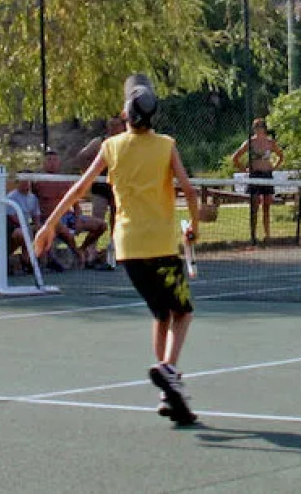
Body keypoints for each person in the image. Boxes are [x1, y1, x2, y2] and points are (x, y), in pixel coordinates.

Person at [35, 74, 201, 426]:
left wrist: (49, 224)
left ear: (126, 113)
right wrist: (195, 227)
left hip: (127, 248)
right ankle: (169, 370)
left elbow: (80, 188)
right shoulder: (166, 145)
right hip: (160, 245)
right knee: (183, 313)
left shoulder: (111, 147)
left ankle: (167, 392)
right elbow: (188, 190)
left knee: (161, 315)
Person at [33, 149, 106, 269]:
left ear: (59, 163)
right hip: (49, 220)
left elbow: (76, 203)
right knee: (60, 227)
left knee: (101, 225)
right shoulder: (37, 182)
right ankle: (78, 255)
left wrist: (77, 219)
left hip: (68, 216)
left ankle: (82, 249)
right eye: (49, 160)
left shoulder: (65, 181)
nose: (52, 163)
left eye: (54, 160)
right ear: (44, 163)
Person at [75, 117, 123, 268]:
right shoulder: (100, 142)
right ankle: (91, 251)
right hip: (101, 185)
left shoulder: (128, 141)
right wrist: (89, 174)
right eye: (111, 125)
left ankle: (115, 250)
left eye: (117, 125)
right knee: (98, 216)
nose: (114, 128)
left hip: (119, 185)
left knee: (117, 217)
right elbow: (82, 156)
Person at [231, 117, 286, 242]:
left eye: (261, 127)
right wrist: (244, 170)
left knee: (267, 206)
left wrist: (274, 167)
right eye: (256, 127)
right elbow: (235, 158)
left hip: (267, 175)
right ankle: (253, 235)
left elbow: (281, 156)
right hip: (255, 175)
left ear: (264, 128)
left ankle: (267, 235)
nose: (258, 129)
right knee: (254, 206)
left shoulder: (270, 143)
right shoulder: (250, 143)